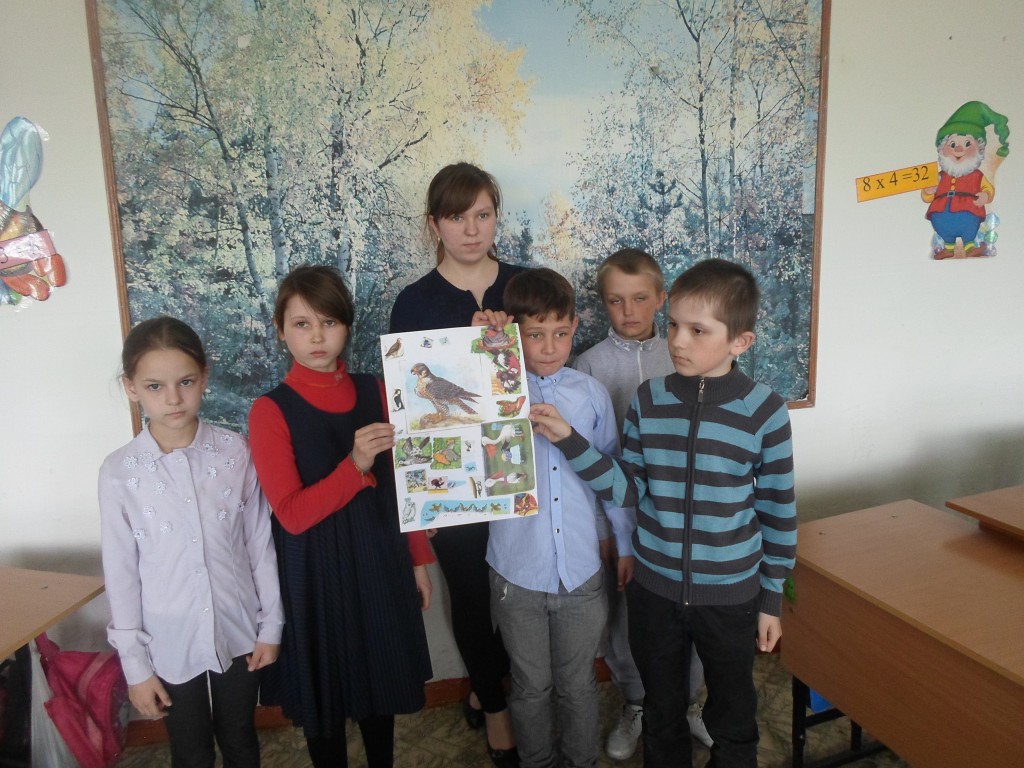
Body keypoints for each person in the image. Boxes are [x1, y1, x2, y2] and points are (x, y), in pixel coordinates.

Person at [530, 258, 797, 768]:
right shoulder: (649, 400)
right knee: (662, 711)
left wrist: (770, 598)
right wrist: (570, 440)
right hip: (655, 591)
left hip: (731, 595)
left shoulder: (765, 411)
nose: (678, 340)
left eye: (698, 330)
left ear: (740, 341)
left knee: (734, 717)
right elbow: (628, 487)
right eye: (674, 324)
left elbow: (777, 510)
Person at [248, 265, 433, 768]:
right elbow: (291, 515)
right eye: (301, 324)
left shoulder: (378, 390)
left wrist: (418, 559)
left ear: (347, 326)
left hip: (379, 556)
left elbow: (405, 483)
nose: (316, 336)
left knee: (381, 687)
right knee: (325, 701)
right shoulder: (270, 410)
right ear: (281, 330)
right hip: (315, 571)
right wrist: (354, 466)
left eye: (328, 322)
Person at [99, 317, 283, 768]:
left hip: (238, 628)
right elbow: (121, 574)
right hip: (168, 639)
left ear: (204, 376)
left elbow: (259, 543)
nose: (173, 398)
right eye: (155, 386)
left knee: (240, 739)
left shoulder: (236, 452)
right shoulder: (119, 472)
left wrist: (271, 626)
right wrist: (136, 667)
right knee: (191, 750)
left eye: (185, 382)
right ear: (131, 388)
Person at [389, 162, 524, 765]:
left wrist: (504, 345)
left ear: (496, 217)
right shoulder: (413, 303)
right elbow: (409, 407)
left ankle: (486, 685)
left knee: (523, 592)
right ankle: (496, 709)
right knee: (470, 594)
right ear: (433, 224)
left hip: (519, 468)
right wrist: (464, 351)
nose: (471, 230)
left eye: (482, 215)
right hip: (450, 478)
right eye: (456, 217)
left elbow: (550, 370)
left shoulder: (523, 287)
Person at [485, 268, 633, 768]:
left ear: (575, 327)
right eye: (534, 334)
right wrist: (485, 346)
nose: (549, 347)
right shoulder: (492, 388)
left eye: (561, 333)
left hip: (581, 569)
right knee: (530, 685)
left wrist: (623, 543)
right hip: (517, 571)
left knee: (578, 683)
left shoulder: (590, 394)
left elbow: (612, 476)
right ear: (515, 332)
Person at [573, 248, 712, 760]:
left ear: (661, 298)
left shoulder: (682, 356)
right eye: (615, 301)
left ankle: (688, 705)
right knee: (625, 618)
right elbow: (587, 455)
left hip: (676, 518)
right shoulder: (588, 365)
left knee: (688, 612)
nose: (628, 311)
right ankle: (637, 703)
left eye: (639, 298)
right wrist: (605, 530)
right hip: (619, 517)